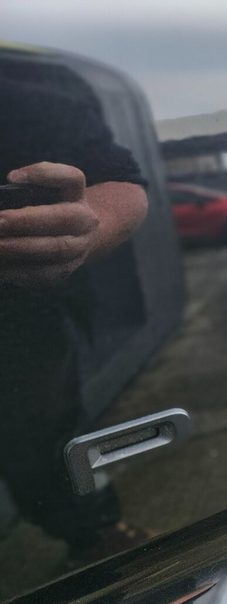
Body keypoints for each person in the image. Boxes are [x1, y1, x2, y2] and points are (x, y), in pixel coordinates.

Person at [0, 49, 148, 555]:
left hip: (20, 320)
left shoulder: (28, 92)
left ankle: (97, 535)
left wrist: (84, 229)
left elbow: (119, 180)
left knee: (50, 436)